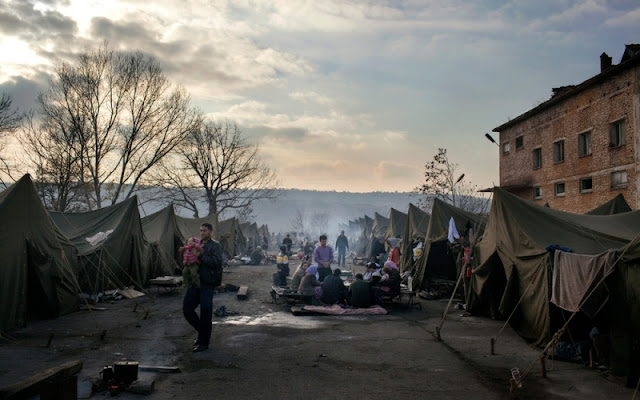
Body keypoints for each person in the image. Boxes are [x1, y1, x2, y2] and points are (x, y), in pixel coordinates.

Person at [182, 223, 223, 353]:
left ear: (211, 231)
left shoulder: (215, 246)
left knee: (206, 313)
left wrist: (200, 256)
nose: (202, 233)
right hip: (195, 282)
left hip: (207, 283)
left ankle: (204, 342)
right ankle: (202, 332)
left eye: (204, 231)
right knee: (187, 309)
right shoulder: (196, 244)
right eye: (200, 230)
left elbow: (216, 263)